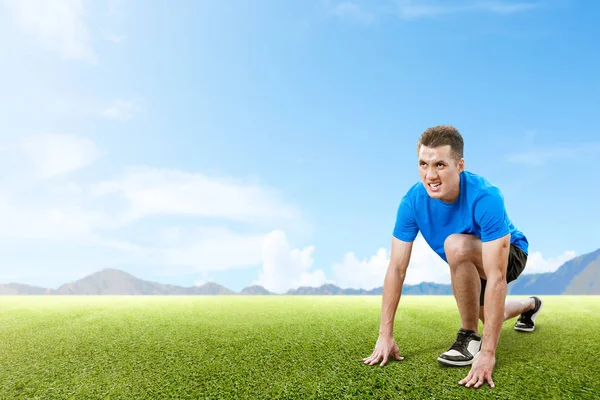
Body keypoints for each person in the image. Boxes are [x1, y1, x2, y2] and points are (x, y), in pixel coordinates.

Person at [362, 125, 543, 389]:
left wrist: (488, 353)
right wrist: (384, 335)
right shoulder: (412, 202)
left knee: (456, 244)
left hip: (509, 253)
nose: (430, 175)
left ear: (460, 165)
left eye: (440, 165)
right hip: (466, 263)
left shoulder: (486, 196)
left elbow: (496, 277)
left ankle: (469, 336)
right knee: (493, 312)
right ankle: (530, 305)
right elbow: (396, 268)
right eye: (423, 164)